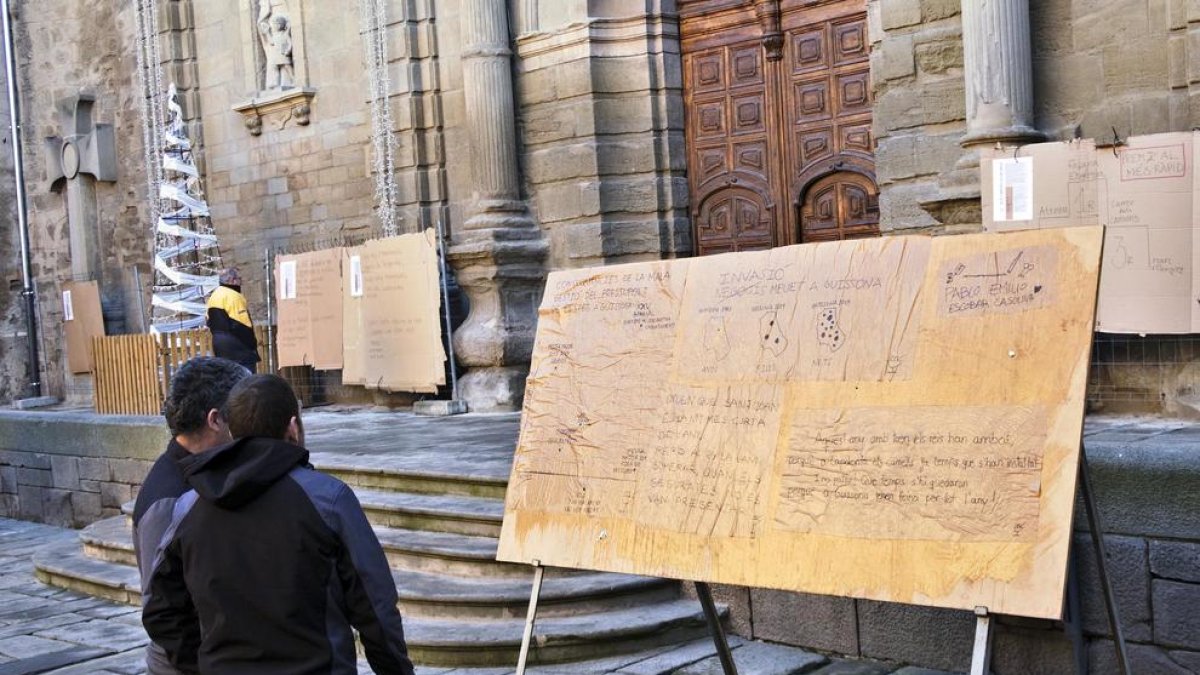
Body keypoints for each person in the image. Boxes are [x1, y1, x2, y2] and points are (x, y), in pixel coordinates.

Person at [142, 374, 414, 675]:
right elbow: (376, 608)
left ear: (231, 430)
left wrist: (206, 664)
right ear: (293, 428)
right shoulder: (328, 501)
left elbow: (161, 609)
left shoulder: (188, 507)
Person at [133, 357, 250, 675]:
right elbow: (164, 612)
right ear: (216, 419)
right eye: (243, 412)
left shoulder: (207, 472)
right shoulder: (169, 500)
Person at [205, 267, 260, 373]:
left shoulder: (214, 296)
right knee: (246, 379)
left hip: (220, 347)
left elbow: (209, 321)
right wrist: (252, 345)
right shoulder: (234, 296)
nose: (241, 282)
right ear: (231, 280)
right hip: (238, 348)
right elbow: (242, 325)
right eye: (239, 279)